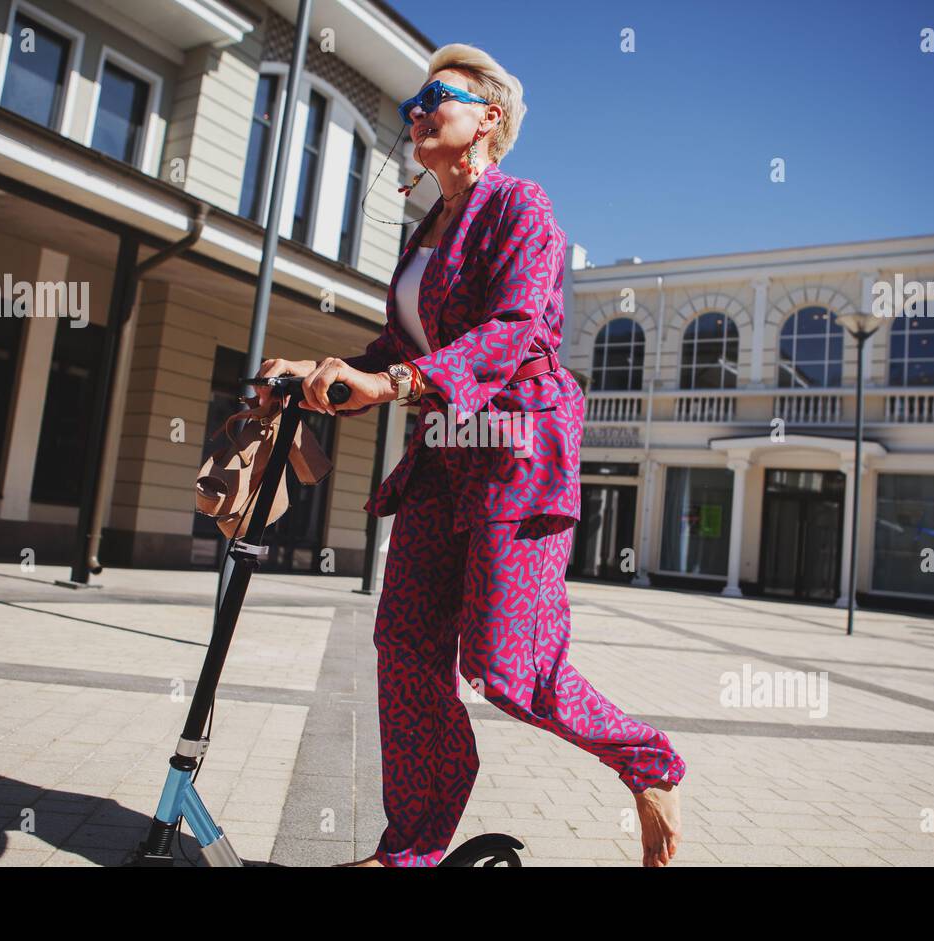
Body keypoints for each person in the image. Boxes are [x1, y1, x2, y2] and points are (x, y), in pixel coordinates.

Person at [252, 43, 685, 867]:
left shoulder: (522, 205)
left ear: (489, 117)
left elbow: (518, 327)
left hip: (515, 452)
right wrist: (321, 368)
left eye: (435, 98)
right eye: (413, 103)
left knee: (507, 666)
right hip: (442, 454)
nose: (417, 112)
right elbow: (402, 338)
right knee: (404, 647)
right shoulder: (427, 231)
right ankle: (409, 850)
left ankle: (647, 761)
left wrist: (403, 381)